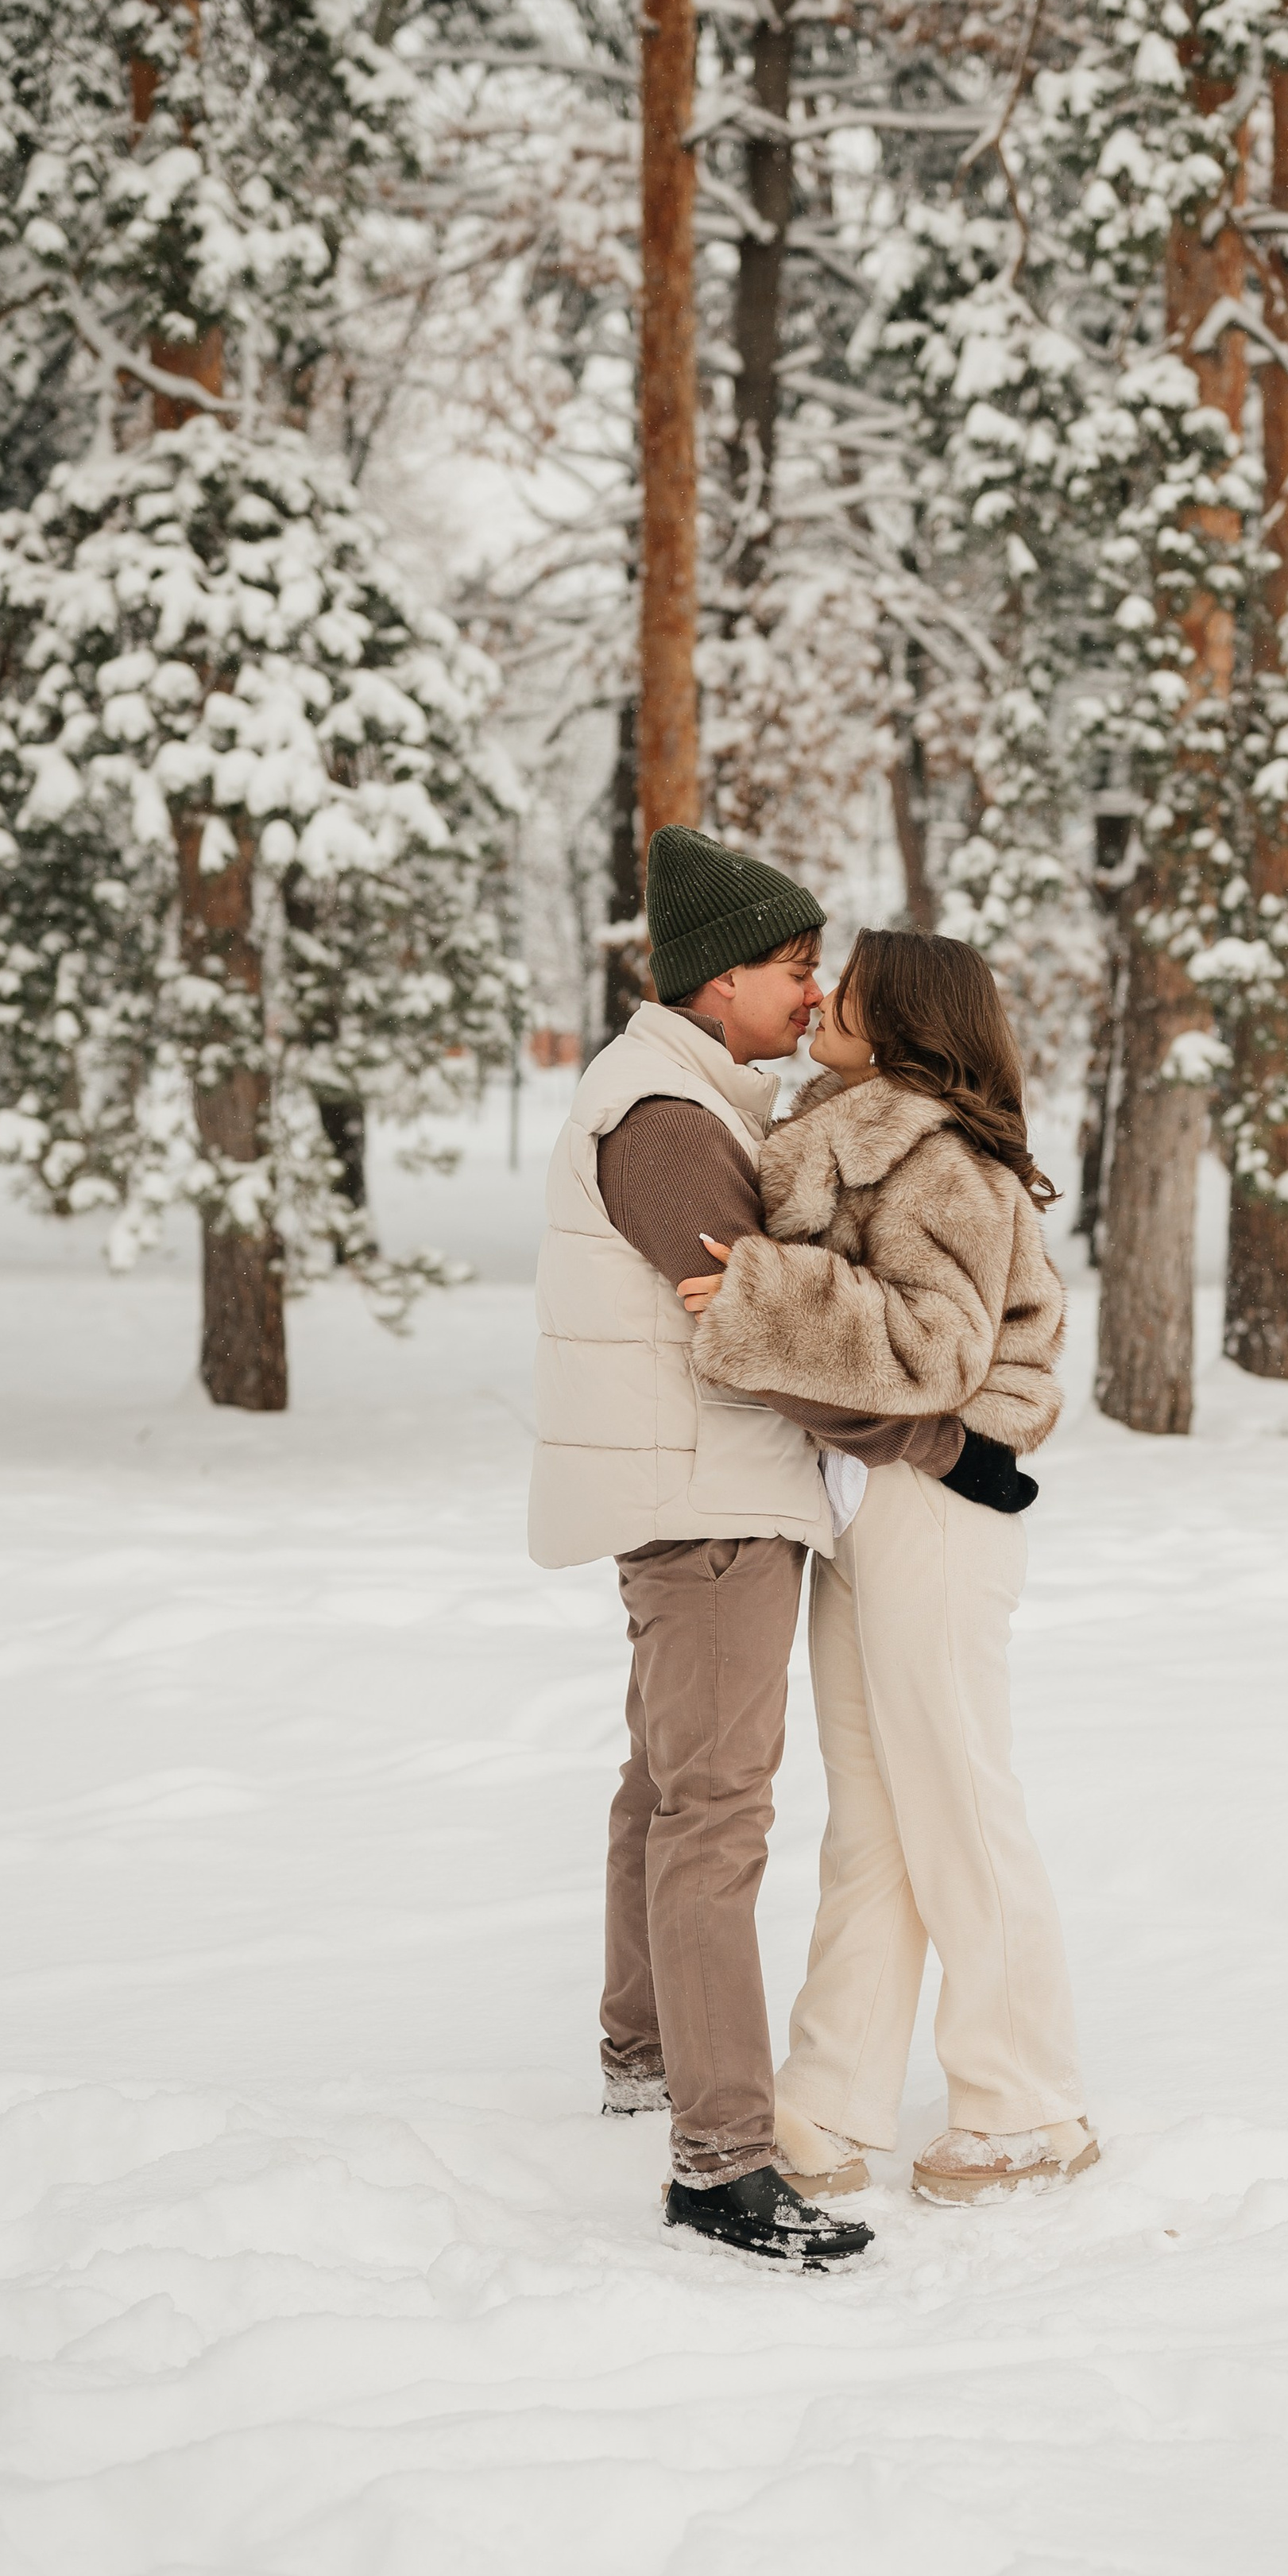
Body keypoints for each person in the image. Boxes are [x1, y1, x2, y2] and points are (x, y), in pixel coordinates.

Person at [528, 835, 1022, 2269]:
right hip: (710, 1506)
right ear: (717, 980)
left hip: (702, 1492)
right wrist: (941, 1445)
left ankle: (645, 2055)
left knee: (664, 1791)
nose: (813, 993)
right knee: (715, 1817)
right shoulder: (670, 1124)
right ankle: (723, 2162)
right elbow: (765, 1337)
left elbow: (770, 1311)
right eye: (795, 968)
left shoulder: (689, 1098)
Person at [679, 928, 1097, 2207]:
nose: (820, 1000)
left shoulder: (935, 1159)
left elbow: (935, 1350)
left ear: (904, 1019)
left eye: (848, 990)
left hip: (939, 1505)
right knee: (871, 1819)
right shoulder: (856, 1135)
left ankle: (1028, 2107)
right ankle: (830, 2100)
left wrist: (765, 1299)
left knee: (958, 1801)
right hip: (869, 1501)